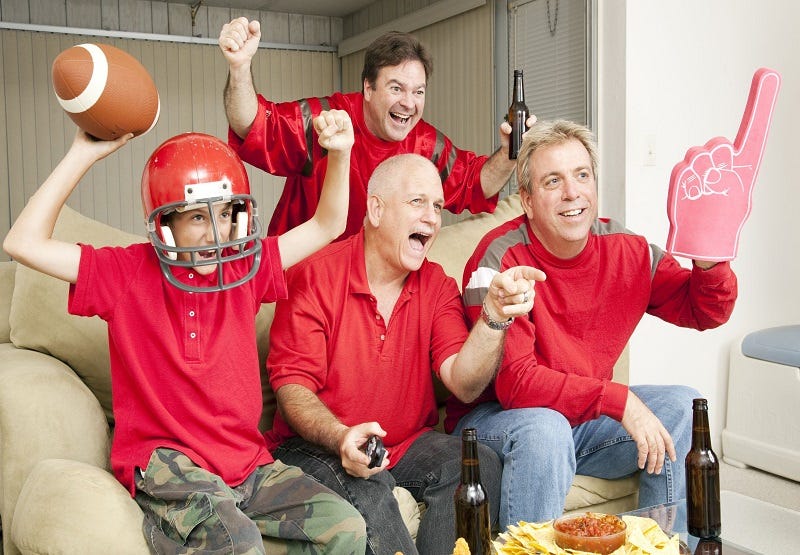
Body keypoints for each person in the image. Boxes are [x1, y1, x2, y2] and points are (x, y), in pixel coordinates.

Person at [3, 111, 368, 554]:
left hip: (246, 463)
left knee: (346, 527)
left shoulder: (245, 269)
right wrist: (83, 153)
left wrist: (342, 152)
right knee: (237, 542)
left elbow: (327, 225)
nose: (213, 232)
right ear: (164, 224)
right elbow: (22, 242)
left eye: (224, 214)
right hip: (167, 463)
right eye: (196, 217)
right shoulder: (125, 272)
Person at [445, 120, 738, 528]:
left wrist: (709, 255)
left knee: (683, 407)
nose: (572, 192)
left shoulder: (626, 249)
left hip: (578, 420)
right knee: (546, 429)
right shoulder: (498, 260)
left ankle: (662, 544)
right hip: (496, 423)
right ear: (527, 200)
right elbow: (517, 385)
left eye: (582, 175)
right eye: (553, 181)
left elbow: (704, 310)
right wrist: (619, 401)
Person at [265, 153, 546, 555]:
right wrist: (343, 437)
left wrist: (494, 317)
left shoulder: (436, 285)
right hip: (316, 445)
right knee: (371, 488)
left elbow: (463, 384)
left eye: (437, 206)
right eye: (417, 202)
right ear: (376, 209)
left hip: (405, 444)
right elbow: (293, 391)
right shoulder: (315, 276)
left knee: (477, 463)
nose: (432, 218)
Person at [218, 17, 535, 239]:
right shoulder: (326, 119)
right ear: (367, 88)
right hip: (300, 283)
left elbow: (475, 184)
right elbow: (252, 124)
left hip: (376, 292)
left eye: (418, 91)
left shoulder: (424, 143)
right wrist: (240, 67)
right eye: (396, 88)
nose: (409, 103)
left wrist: (510, 151)